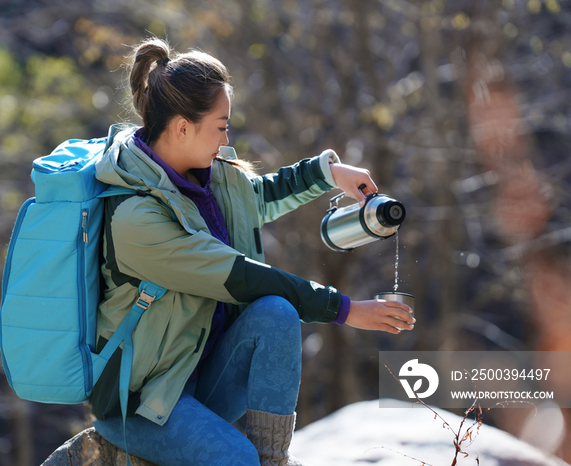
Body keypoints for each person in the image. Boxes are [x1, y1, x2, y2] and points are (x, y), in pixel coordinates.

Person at [89, 37, 415, 466]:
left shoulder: (204, 177)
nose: (227, 136)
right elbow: (240, 276)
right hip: (143, 400)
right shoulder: (136, 218)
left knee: (276, 314)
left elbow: (254, 200)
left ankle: (273, 460)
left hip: (199, 378)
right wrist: (345, 309)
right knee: (235, 458)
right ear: (183, 127)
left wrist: (328, 172)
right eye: (221, 126)